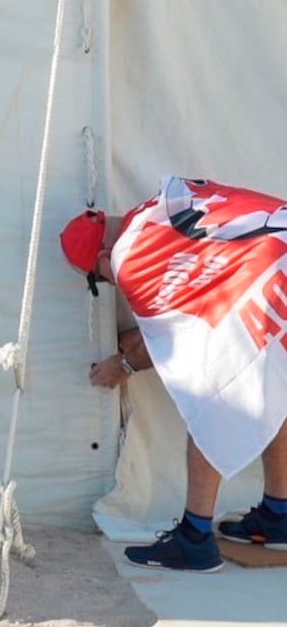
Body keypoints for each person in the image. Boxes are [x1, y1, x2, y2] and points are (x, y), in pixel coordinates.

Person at [60, 175, 287, 572]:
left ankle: (195, 539)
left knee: (213, 393)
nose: (111, 282)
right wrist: (139, 336)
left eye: (100, 278)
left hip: (271, 271)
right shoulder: (158, 207)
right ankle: (279, 515)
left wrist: (125, 366)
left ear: (103, 257)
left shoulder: (127, 258)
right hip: (277, 250)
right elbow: (191, 305)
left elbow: (183, 346)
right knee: (270, 380)